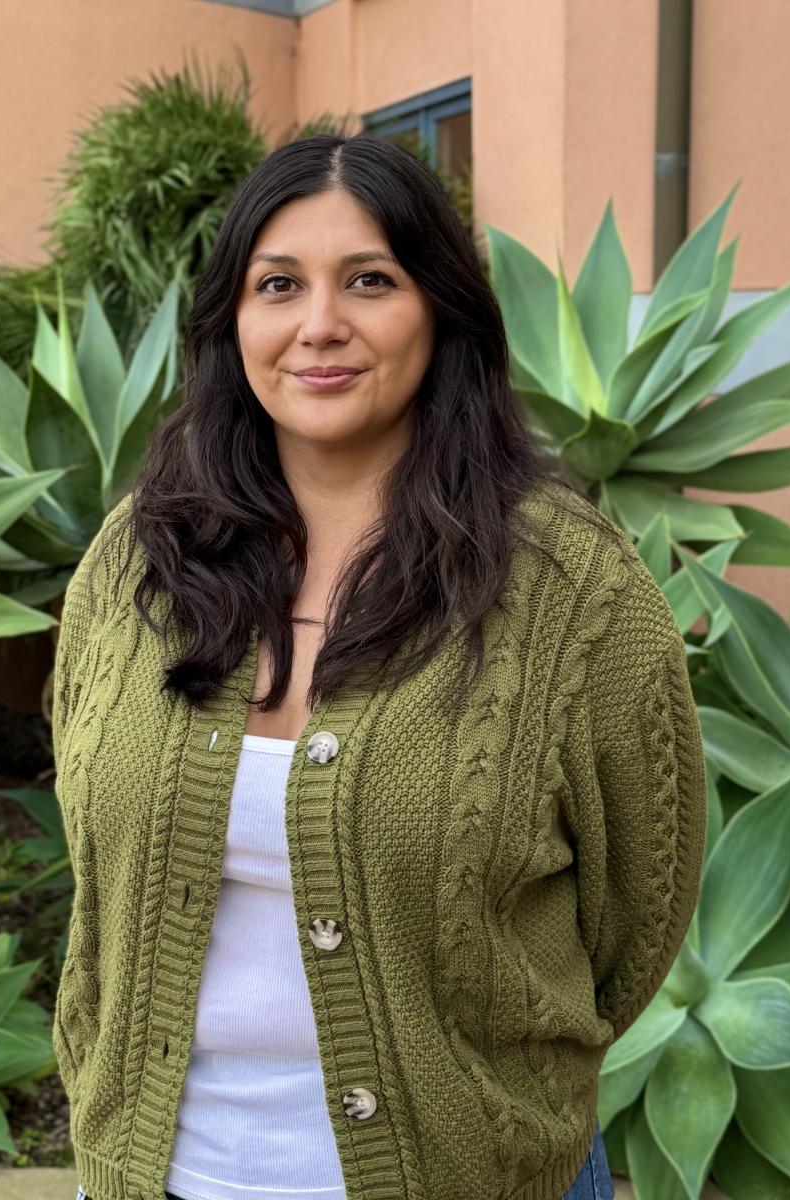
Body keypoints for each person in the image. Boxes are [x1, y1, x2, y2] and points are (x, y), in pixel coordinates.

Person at [53, 133, 707, 1200]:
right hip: (158, 1174)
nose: (320, 325)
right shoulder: (136, 564)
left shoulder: (566, 584)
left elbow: (635, 908)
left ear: (439, 310)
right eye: (278, 285)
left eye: (369, 280)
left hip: (477, 1175)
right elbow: (94, 855)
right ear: (232, 321)